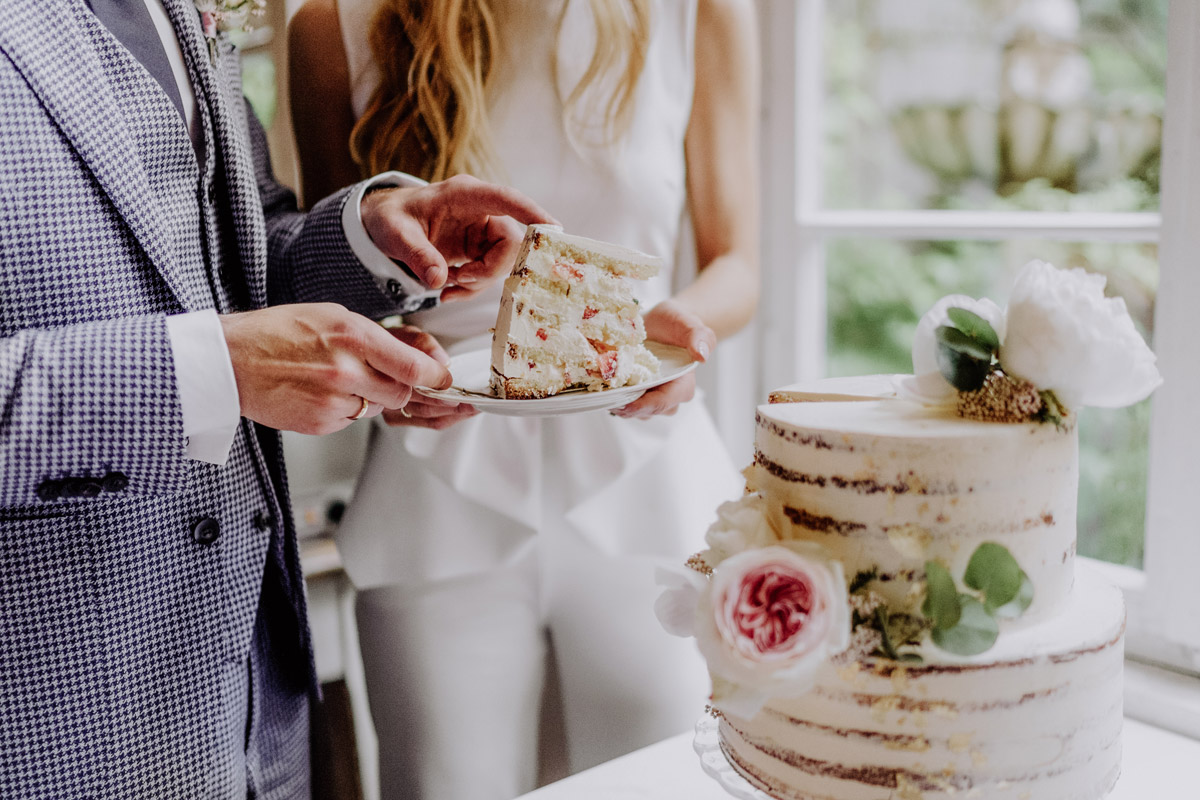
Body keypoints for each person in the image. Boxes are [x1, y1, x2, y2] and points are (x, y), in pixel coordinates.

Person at [0, 0, 556, 796]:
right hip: (50, 723)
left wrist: (370, 238)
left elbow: (231, 248)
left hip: (249, 711)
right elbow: (216, 347)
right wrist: (209, 372)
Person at [288, 0, 759, 797]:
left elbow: (738, 260)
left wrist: (685, 332)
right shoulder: (331, 27)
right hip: (432, 489)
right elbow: (326, 275)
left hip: (647, 479)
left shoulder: (699, 11)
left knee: (664, 784)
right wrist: (395, 356)